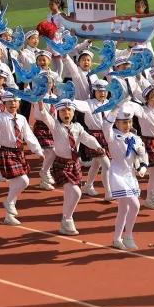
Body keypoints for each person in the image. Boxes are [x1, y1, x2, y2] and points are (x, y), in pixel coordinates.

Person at [33, 100, 105, 236]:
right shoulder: (55, 125)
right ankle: (68, 219)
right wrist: (40, 102)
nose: (66, 113)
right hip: (61, 164)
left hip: (74, 164)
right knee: (76, 192)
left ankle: (66, 220)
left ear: (73, 112)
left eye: (69, 110)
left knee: (69, 195)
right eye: (63, 111)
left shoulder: (78, 127)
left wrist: (97, 146)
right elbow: (44, 115)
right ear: (58, 113)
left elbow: (87, 139)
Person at [0, 93, 44, 224]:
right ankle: (8, 202)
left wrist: (38, 150)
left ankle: (9, 216)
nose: (13, 104)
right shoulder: (1, 117)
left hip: (19, 152)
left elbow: (29, 136)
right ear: (4, 104)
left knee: (16, 183)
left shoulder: (21, 119)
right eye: (9, 101)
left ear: (19, 103)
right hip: (6, 152)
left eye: (15, 101)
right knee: (23, 181)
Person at [101, 106, 149, 249]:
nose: (127, 125)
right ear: (116, 123)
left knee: (124, 209)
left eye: (129, 122)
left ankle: (117, 239)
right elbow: (105, 125)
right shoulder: (112, 136)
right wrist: (115, 107)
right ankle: (128, 236)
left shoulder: (135, 138)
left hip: (130, 175)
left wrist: (143, 166)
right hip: (117, 173)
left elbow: (143, 155)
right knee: (136, 205)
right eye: (123, 122)